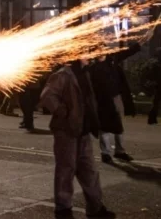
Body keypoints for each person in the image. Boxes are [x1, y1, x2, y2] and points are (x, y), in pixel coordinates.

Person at [41, 59, 115, 219]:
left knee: (89, 171)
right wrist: (64, 112)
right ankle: (63, 211)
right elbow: (47, 96)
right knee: (66, 170)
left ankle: (96, 208)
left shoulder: (84, 73)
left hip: (83, 130)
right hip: (66, 130)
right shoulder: (63, 74)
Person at [89, 42, 141, 163]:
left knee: (119, 124)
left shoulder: (112, 60)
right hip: (102, 100)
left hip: (115, 97)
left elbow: (127, 52)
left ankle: (120, 151)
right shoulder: (93, 68)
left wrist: (138, 44)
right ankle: (105, 153)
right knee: (104, 126)